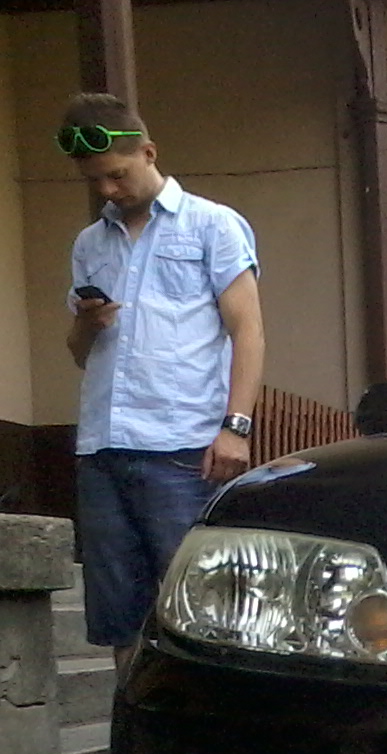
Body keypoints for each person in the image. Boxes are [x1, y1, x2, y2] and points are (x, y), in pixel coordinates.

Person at [61, 93, 265, 678]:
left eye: (117, 175)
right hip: (102, 449)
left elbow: (248, 331)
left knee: (202, 609)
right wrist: (87, 322)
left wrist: (235, 427)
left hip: (182, 449)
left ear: (148, 153)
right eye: (95, 180)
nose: (108, 189)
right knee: (120, 618)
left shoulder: (212, 225)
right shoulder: (89, 244)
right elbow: (78, 354)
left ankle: (207, 725)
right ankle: (131, 721)